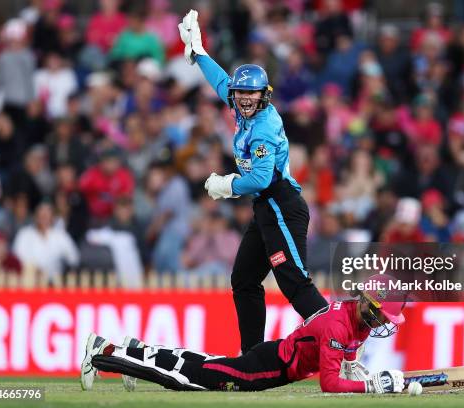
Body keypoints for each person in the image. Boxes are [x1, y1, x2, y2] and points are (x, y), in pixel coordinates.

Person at [176, 10, 328, 354]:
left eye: (251, 93)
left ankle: (341, 343)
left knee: (293, 282)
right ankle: (252, 357)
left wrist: (224, 185)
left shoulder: (262, 127)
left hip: (282, 205)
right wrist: (199, 53)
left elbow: (260, 177)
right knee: (244, 281)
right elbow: (220, 83)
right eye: (241, 92)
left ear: (264, 95)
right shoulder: (239, 104)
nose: (244, 98)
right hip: (265, 208)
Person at [80, 280, 406, 393]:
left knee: (199, 362)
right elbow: (330, 383)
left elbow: (346, 363)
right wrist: (371, 385)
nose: (382, 322)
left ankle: (133, 348)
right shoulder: (340, 324)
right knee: (189, 380)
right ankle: (104, 354)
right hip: (264, 369)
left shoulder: (359, 321)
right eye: (381, 313)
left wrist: (365, 376)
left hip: (272, 359)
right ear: (367, 301)